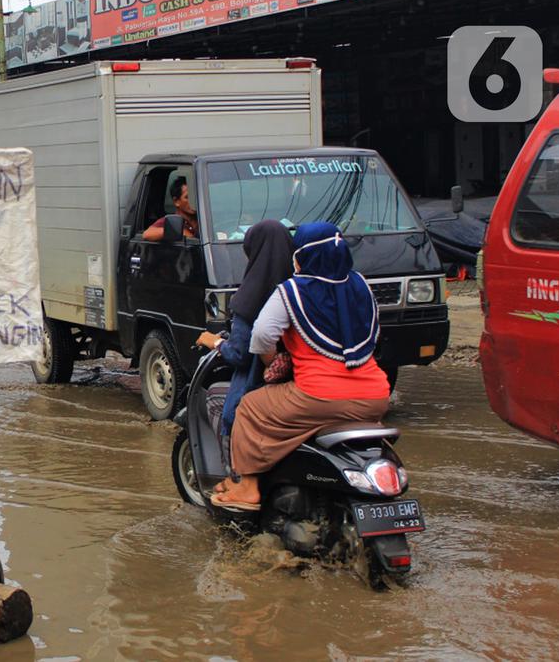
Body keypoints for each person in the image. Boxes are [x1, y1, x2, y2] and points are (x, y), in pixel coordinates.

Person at [212, 222, 390, 511]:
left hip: (317, 397)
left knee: (248, 408)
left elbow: (260, 336)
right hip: (375, 398)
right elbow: (373, 335)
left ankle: (246, 488)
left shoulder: (292, 290)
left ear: (304, 255)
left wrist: (273, 362)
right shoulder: (361, 285)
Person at [195, 220, 294, 451]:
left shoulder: (250, 298)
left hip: (256, 387)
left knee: (225, 411)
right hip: (300, 389)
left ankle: (233, 474)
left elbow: (239, 354)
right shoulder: (300, 291)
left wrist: (215, 341)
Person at [142, 176, 198, 241]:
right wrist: (179, 232)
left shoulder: (205, 220)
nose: (193, 200)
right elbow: (147, 234)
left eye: (195, 196)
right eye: (187, 197)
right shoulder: (171, 221)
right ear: (176, 201)